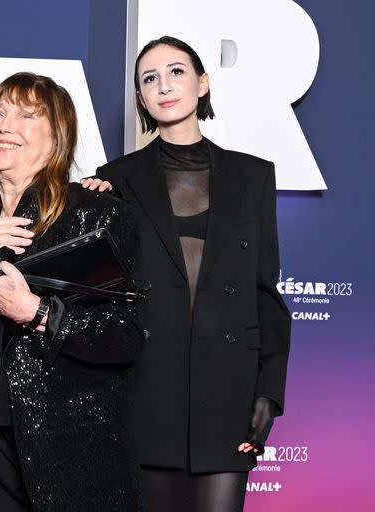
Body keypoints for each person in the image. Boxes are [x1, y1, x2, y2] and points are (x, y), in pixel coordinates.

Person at [0, 72, 145, 512]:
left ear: (57, 135)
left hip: (72, 442)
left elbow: (126, 335)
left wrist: (38, 312)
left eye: (27, 115)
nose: (6, 126)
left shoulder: (97, 213)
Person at [93, 36, 291, 512]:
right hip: (148, 388)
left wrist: (269, 393)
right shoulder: (115, 178)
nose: (164, 86)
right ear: (140, 98)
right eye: (149, 78)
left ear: (202, 83)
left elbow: (266, 293)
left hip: (227, 389)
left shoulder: (253, 176)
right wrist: (89, 209)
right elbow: (103, 292)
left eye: (176, 72)